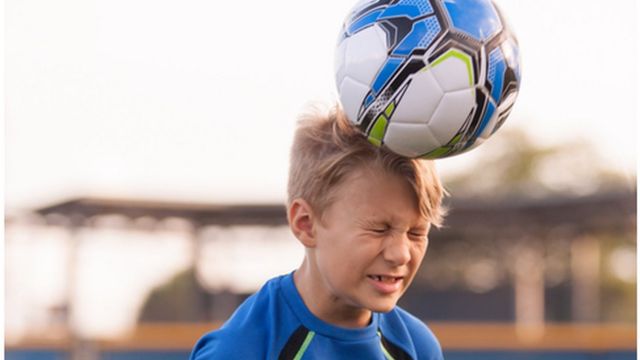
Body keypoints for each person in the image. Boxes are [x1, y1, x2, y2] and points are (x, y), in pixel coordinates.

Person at [190, 106, 446, 359]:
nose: (400, 254)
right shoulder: (239, 350)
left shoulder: (418, 347)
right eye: (378, 229)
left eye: (416, 233)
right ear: (305, 224)